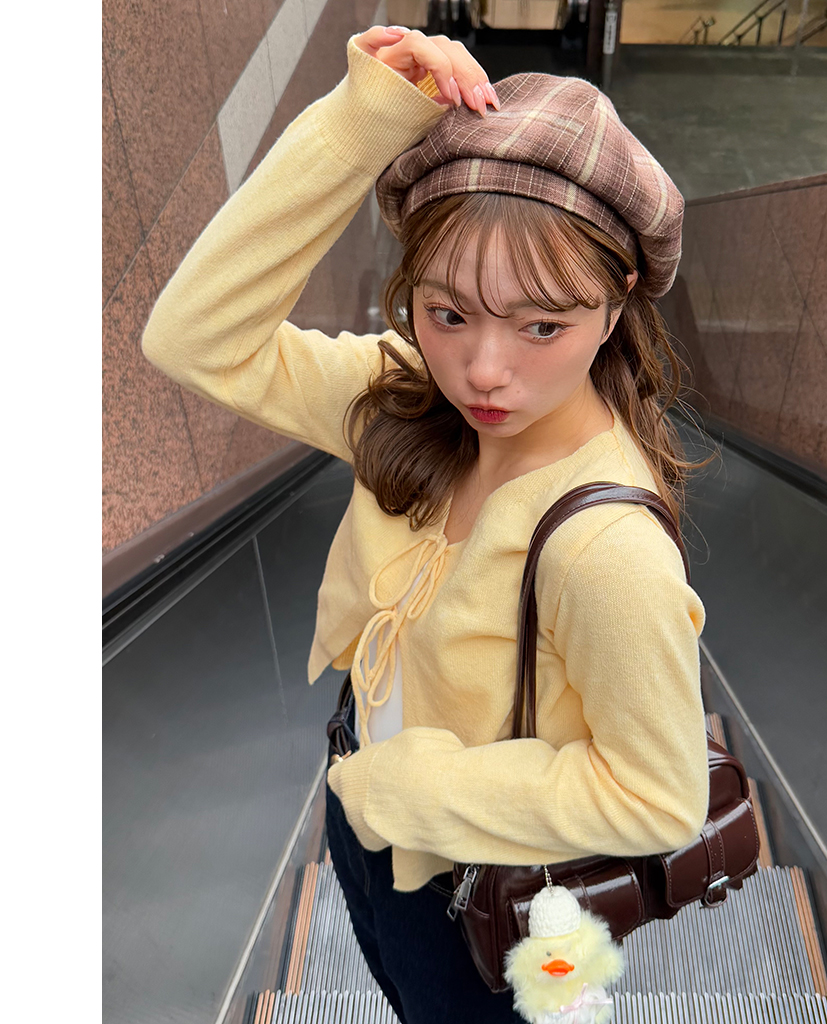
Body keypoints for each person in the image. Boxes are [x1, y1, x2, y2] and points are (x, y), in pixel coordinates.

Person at [142, 24, 710, 1023]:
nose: (484, 372)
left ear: (618, 301)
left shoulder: (606, 548)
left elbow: (658, 795)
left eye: (541, 325)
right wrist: (359, 125)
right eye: (448, 313)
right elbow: (194, 341)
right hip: (368, 816)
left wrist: (403, 789)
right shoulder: (403, 398)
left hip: (487, 891)